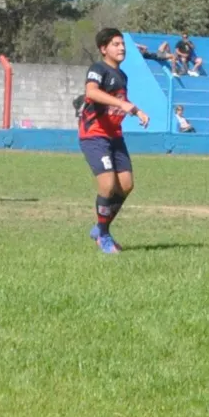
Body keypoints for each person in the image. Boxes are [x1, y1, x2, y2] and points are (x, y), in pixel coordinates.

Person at [79, 28, 150, 254]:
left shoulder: (122, 76)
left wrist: (137, 111)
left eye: (123, 44)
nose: (122, 48)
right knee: (108, 185)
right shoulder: (98, 69)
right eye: (116, 44)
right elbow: (91, 92)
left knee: (126, 185)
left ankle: (101, 228)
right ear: (103, 49)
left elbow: (122, 101)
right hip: (94, 135)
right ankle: (103, 235)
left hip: (115, 135)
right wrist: (122, 105)